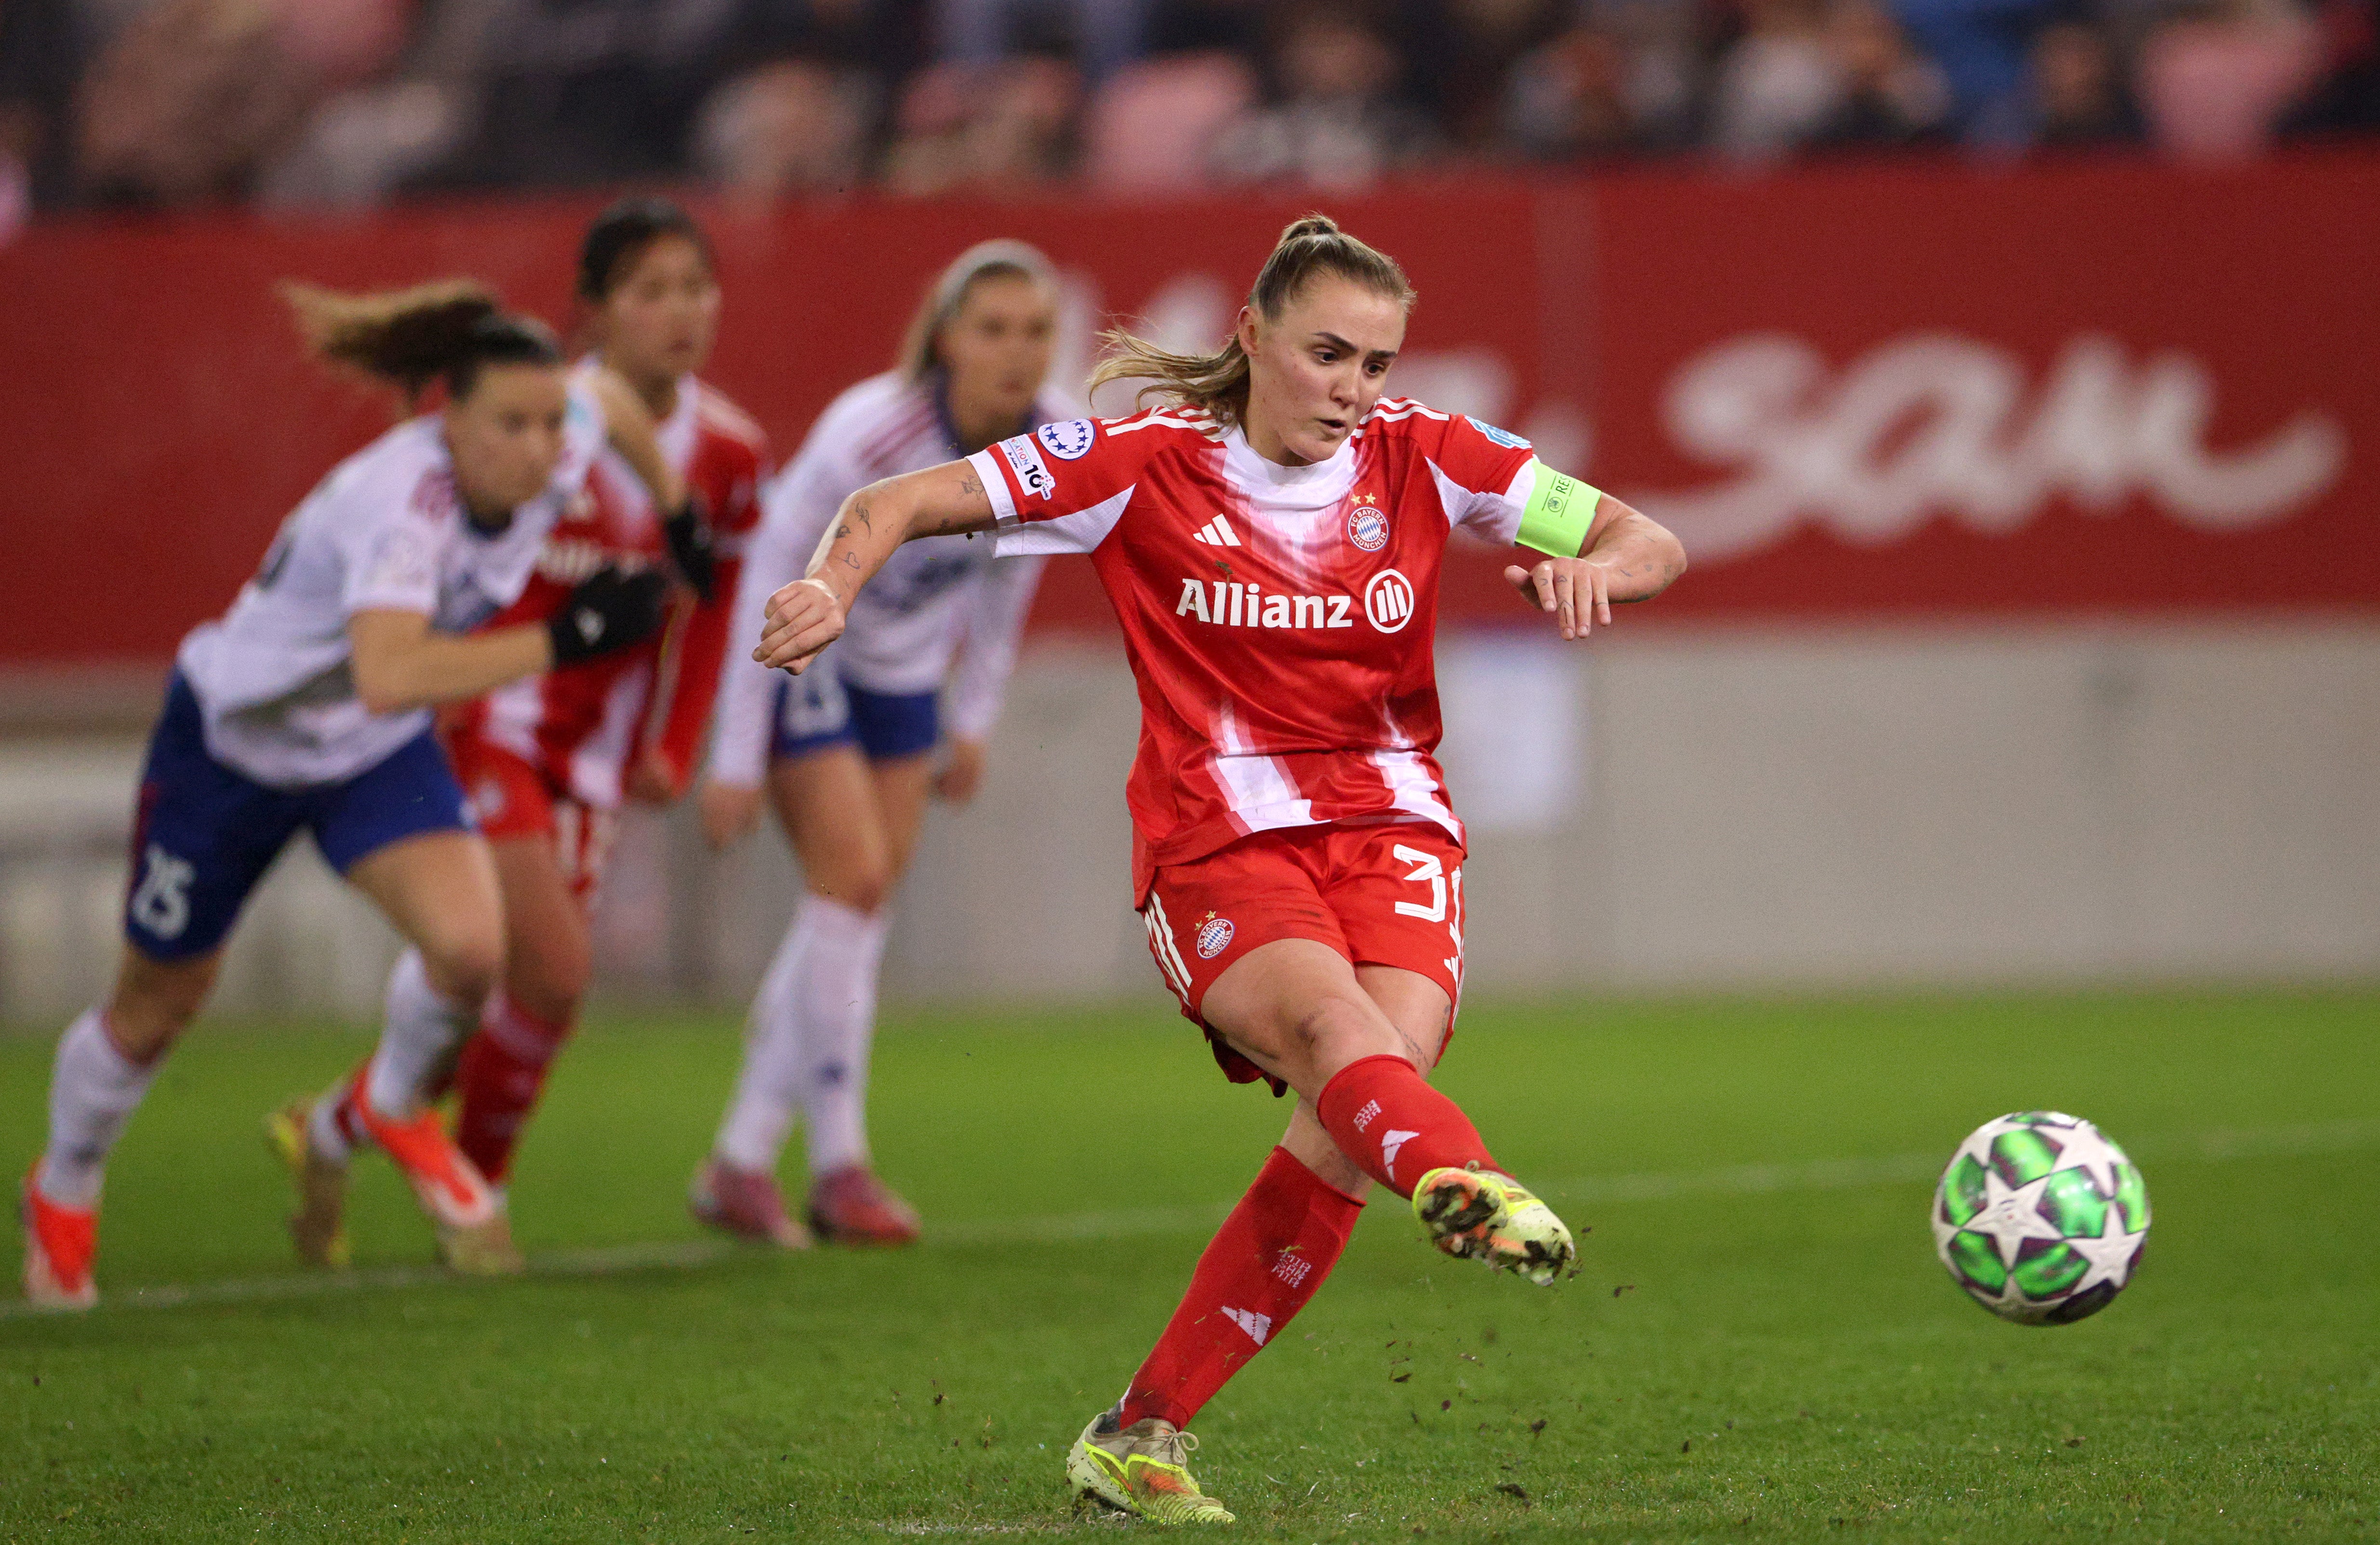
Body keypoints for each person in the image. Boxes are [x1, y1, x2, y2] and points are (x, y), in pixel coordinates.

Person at [751, 215, 1686, 1522]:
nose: (1352, 390)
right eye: (1325, 354)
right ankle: (1464, 1180)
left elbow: (1648, 538)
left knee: (1360, 1099)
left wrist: (1600, 577)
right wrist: (830, 588)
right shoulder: (1138, 465)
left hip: (1392, 827)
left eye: (1373, 362)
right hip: (1218, 835)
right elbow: (896, 501)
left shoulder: (1430, 454)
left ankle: (1140, 1433)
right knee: (1332, 1036)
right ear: (1250, 337)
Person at [20, 279, 692, 1309]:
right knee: (157, 1006)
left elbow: (617, 403)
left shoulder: (565, 437)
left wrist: (679, 519)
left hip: (364, 752)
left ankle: (386, 1104)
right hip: (233, 744)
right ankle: (62, 1191)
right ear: (447, 423)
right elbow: (391, 670)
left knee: (472, 950)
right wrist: (565, 639)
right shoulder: (400, 506)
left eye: (549, 422)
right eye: (509, 423)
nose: (541, 444)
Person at [266, 198, 771, 1274]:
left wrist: (682, 738)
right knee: (551, 969)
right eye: (650, 291)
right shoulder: (543, 425)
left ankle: (336, 1127)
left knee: (516, 994)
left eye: (695, 286)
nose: (679, 311)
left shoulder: (732, 448)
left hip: (597, 751)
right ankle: (474, 1194)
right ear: (593, 311)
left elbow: (720, 601)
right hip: (491, 722)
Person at [691, 239, 1065, 1248]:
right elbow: (772, 565)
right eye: (992, 328)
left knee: (849, 909)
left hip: (902, 678)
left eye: (1034, 330)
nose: (1016, 351)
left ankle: (738, 1157)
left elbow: (1006, 584)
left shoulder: (1055, 441)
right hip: (811, 659)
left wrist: (972, 717)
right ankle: (839, 1164)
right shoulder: (873, 431)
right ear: (946, 338)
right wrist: (733, 752)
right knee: (851, 883)